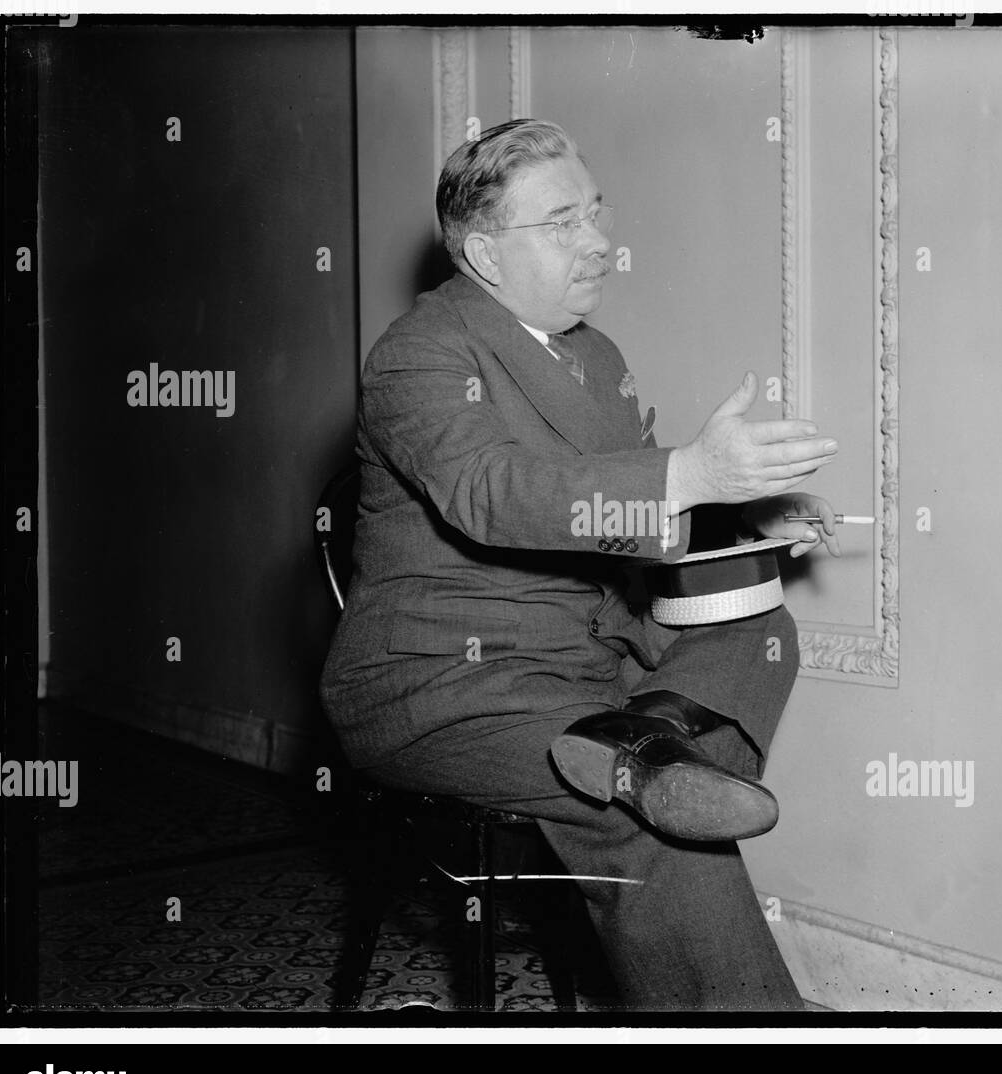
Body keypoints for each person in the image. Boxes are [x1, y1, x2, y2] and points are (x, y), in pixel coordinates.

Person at [320, 119, 842, 1011]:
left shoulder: (597, 356)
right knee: (647, 823)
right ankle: (650, 771)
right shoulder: (420, 353)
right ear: (483, 251)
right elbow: (492, 488)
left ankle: (648, 748)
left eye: (596, 213)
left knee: (759, 626)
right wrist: (689, 471)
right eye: (561, 222)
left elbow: (618, 514)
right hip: (448, 685)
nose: (600, 242)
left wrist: (737, 518)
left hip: (592, 674)